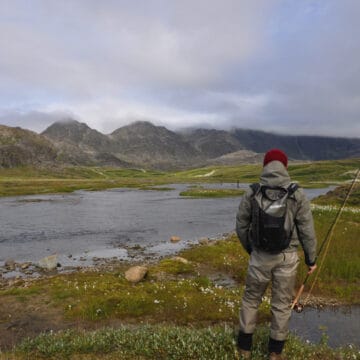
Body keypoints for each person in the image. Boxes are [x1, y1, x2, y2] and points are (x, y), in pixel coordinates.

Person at [235, 149, 317, 360]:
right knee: (281, 305)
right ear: (285, 166)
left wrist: (251, 249)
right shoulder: (297, 194)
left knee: (251, 300)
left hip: (259, 257)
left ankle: (244, 350)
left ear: (265, 166)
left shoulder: (252, 191)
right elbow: (307, 230)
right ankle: (274, 353)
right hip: (287, 258)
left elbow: (241, 226)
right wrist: (311, 259)